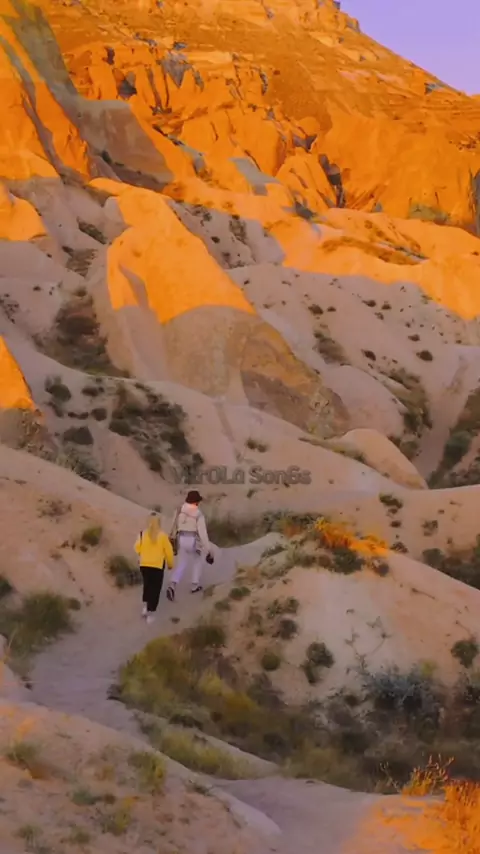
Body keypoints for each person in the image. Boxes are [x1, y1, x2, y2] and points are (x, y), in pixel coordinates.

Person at [166, 490, 214, 602]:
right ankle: (194, 585)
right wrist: (208, 549)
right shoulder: (198, 514)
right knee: (198, 559)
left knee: (182, 563)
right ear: (196, 502)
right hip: (193, 540)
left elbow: (173, 524)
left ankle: (172, 585)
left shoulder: (179, 509)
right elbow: (203, 534)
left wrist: (170, 536)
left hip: (181, 538)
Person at [134, 511, 174, 624]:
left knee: (147, 585)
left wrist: (144, 553)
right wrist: (170, 564)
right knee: (155, 589)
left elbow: (137, 548)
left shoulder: (142, 534)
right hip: (157, 566)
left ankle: (146, 607)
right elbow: (169, 552)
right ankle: (150, 613)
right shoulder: (163, 536)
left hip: (144, 565)